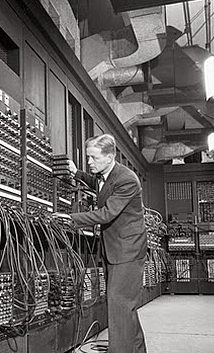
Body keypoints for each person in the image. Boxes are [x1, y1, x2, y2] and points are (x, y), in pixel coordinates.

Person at [61, 134, 147, 353]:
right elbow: (99, 185)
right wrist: (76, 173)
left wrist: (70, 219)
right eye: (88, 157)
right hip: (115, 248)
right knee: (124, 306)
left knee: (119, 303)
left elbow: (107, 213)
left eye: (94, 158)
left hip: (127, 249)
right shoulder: (106, 175)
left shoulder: (127, 179)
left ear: (110, 157)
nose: (89, 162)